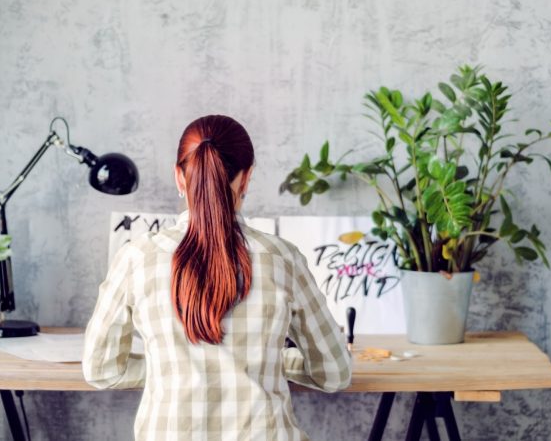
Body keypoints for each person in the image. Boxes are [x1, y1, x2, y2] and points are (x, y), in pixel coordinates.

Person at [83, 115, 352, 441]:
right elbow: (335, 373)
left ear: (179, 177)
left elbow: (100, 370)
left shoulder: (136, 258)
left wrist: (167, 367)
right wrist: (269, 362)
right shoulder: (283, 258)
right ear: (247, 178)